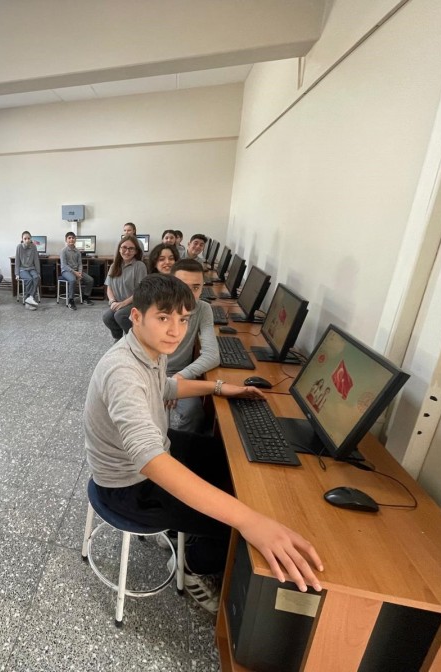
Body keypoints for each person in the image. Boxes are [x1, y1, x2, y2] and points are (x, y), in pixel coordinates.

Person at [84, 274, 323, 612]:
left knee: (228, 460)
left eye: (183, 319)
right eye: (163, 318)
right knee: (234, 523)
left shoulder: (149, 349)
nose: (175, 331)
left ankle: (201, 532)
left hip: (152, 453)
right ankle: (192, 566)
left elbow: (166, 388)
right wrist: (248, 521)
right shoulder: (122, 371)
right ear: (136, 316)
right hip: (128, 487)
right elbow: (151, 460)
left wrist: (219, 388)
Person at [168, 259, 221, 432]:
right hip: (150, 372)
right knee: (154, 421)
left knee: (194, 413)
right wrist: (166, 386)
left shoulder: (203, 309)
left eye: (196, 287)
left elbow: (212, 355)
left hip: (179, 374)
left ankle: (181, 446)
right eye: (183, 286)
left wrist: (179, 377)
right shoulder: (154, 307)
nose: (189, 295)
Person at [102, 234, 146, 339]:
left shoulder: (139, 266)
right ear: (119, 249)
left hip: (135, 302)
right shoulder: (114, 266)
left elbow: (141, 291)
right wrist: (112, 301)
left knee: (120, 315)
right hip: (118, 302)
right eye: (124, 248)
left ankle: (134, 339)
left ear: (136, 251)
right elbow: (109, 287)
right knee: (107, 317)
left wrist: (123, 303)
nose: (127, 251)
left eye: (131, 249)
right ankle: (119, 339)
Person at [59, 231, 95, 310]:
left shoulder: (78, 251)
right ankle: (71, 301)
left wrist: (80, 273)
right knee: (72, 280)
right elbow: (64, 265)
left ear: (75, 239)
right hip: (66, 271)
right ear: (66, 240)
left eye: (73, 238)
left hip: (76, 271)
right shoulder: (63, 251)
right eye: (69, 238)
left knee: (90, 280)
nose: (71, 239)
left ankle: (85, 297)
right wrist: (75, 273)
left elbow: (80, 264)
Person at [15, 230, 41, 310]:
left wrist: (38, 272)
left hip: (31, 268)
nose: (27, 240)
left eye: (28, 238)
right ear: (22, 239)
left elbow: (36, 260)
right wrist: (17, 274)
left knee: (36, 277)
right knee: (29, 279)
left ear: (31, 239)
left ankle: (31, 297)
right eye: (25, 238)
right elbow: (17, 261)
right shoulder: (19, 247)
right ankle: (27, 303)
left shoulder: (33, 247)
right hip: (22, 269)